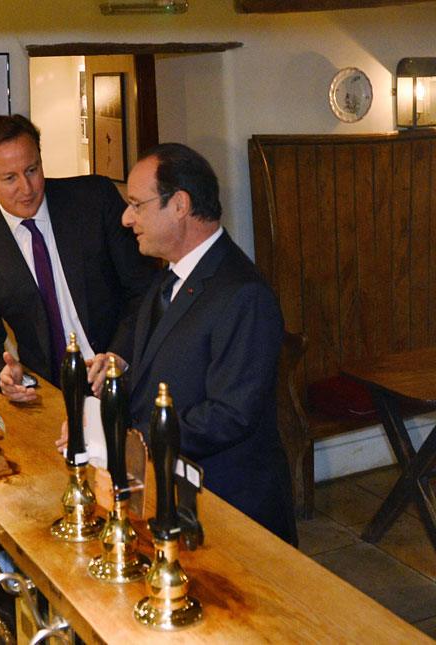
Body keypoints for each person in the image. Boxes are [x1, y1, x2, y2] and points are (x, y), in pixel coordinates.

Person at [88, 143, 297, 544]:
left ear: (179, 204)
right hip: (178, 497)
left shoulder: (243, 294)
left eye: (136, 204)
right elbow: (158, 360)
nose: (126, 217)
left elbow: (230, 414)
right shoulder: (167, 277)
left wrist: (130, 440)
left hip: (230, 511)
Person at [0, 114, 156, 403]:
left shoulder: (93, 200)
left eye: (32, 170)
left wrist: (118, 355)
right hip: (51, 395)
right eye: (9, 178)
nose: (26, 188)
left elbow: (146, 289)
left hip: (126, 375)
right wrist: (2, 374)